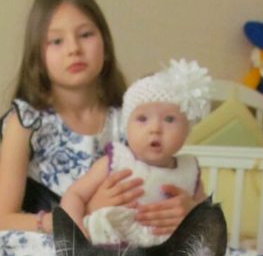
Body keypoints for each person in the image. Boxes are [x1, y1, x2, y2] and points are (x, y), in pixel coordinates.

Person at [0, 0, 197, 256]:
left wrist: (186, 210)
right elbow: (1, 219)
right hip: (56, 236)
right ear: (37, 55)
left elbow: (167, 174)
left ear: (105, 42)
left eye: (86, 35)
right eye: (56, 40)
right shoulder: (27, 121)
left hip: (127, 236)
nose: (74, 49)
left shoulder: (132, 119)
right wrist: (80, 215)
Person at [61, 59, 211, 246]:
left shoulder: (188, 172)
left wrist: (194, 213)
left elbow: (209, 219)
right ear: (127, 127)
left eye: (169, 119)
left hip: (168, 254)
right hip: (113, 248)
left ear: (186, 129)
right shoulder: (116, 161)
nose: (155, 129)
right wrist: (75, 230)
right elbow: (74, 195)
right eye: (142, 119)